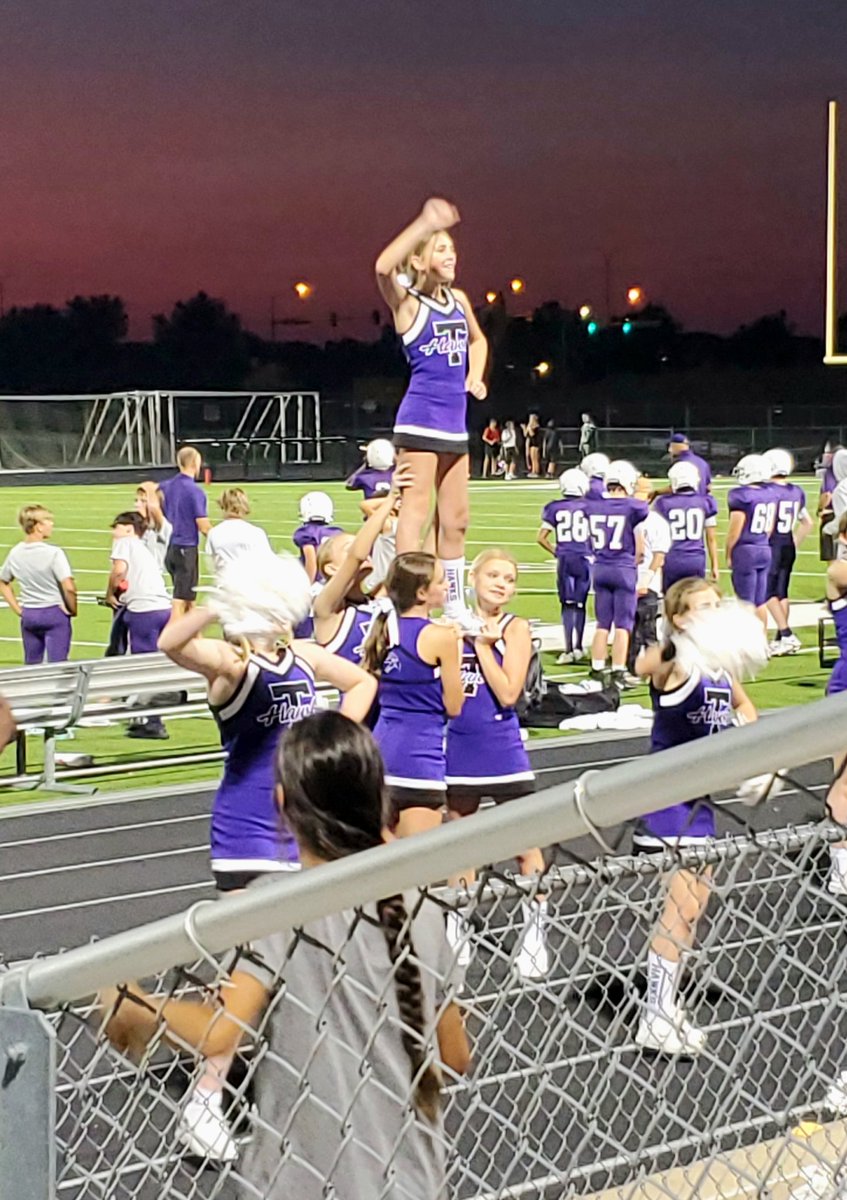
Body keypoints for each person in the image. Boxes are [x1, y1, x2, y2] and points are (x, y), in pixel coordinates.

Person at [100, 710, 469, 1196]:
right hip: (412, 1180)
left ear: (282, 804)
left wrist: (136, 1007)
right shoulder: (419, 905)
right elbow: (455, 1056)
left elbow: (220, 1032)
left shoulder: (278, 904)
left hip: (302, 1182)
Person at [157, 555, 376, 1161]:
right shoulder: (233, 664)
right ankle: (203, 1101)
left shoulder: (303, 657)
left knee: (308, 968)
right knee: (250, 972)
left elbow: (363, 684)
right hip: (248, 832)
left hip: (303, 829)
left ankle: (292, 1091)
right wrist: (227, 599)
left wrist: (326, 741)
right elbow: (171, 640)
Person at [634, 578, 757, 1055]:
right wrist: (673, 640)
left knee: (693, 915)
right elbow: (646, 664)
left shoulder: (721, 668)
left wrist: (747, 752)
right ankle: (654, 1015)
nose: (714, 612)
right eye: (702, 607)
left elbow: (746, 708)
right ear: (681, 618)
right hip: (670, 802)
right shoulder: (677, 662)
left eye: (716, 605)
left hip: (702, 804)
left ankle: (666, 1007)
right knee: (679, 912)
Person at [375, 197, 488, 628]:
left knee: (456, 518)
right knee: (416, 514)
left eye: (452, 250)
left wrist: (475, 376)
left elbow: (478, 342)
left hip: (455, 422)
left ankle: (455, 605)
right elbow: (384, 267)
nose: (451, 255)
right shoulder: (408, 305)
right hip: (419, 421)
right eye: (440, 249)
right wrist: (423, 222)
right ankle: (404, 602)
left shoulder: (458, 300)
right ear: (420, 260)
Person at [444, 549, 546, 980]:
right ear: (473, 576)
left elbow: (508, 693)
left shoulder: (514, 628)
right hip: (458, 747)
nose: (502, 583)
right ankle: (458, 925)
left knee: (524, 841)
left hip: (501, 749)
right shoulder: (448, 625)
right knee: (460, 840)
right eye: (494, 575)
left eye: (509, 578)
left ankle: (535, 932)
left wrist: (482, 646)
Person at [363, 552, 464, 838]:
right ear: (422, 592)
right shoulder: (440, 637)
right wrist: (456, 646)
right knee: (415, 870)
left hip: (380, 753)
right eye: (441, 581)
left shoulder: (383, 629)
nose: (447, 587)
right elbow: (454, 706)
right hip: (419, 759)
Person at [313, 467, 411, 663]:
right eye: (349, 547)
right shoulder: (326, 607)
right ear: (331, 568)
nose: (362, 549)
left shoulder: (377, 600)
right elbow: (355, 558)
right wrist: (391, 498)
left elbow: (408, 561)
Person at [107, 512, 174, 739]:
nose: (112, 532)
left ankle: (153, 721)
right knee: (154, 663)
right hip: (162, 606)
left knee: (142, 666)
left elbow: (119, 571)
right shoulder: (145, 547)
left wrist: (110, 594)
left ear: (128, 528)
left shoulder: (125, 543)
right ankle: (145, 715)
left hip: (144, 610)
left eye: (116, 527)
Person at [585, 460, 648, 687]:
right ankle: (619, 671)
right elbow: (640, 548)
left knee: (603, 623)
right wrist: (636, 560)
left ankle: (597, 667)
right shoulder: (634, 507)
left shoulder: (593, 505)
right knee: (623, 624)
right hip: (622, 568)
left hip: (600, 567)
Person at [0, 505, 76, 664]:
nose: (51, 524)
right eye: (48, 520)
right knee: (58, 663)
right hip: (54, 611)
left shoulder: (15, 552)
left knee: (31, 663)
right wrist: (72, 609)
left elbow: (3, 582)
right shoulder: (54, 553)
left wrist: (18, 609)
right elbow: (68, 587)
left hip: (30, 614)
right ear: (38, 526)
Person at [538, 468, 592, 664]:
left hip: (565, 559)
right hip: (584, 559)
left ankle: (568, 648)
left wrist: (556, 551)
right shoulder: (590, 506)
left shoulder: (554, 507)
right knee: (580, 603)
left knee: (567, 604)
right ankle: (578, 646)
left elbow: (541, 538)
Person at [764, 449, 812, 656]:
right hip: (787, 544)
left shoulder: (767, 491)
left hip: (772, 543)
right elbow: (807, 523)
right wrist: (794, 544)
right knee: (781, 592)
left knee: (766, 592)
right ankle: (781, 638)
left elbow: (766, 524)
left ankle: (786, 634)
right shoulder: (796, 490)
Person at [160, 446, 212, 617]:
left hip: (171, 547)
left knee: (189, 598)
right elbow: (202, 524)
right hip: (186, 547)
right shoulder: (194, 491)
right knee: (181, 599)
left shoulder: (166, 486)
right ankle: (171, 640)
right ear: (195, 463)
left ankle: (193, 638)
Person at [653, 461, 719, 592]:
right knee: (693, 601)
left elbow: (655, 534)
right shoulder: (705, 502)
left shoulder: (662, 503)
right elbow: (711, 538)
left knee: (671, 600)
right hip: (696, 559)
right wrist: (715, 566)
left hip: (672, 559)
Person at [726, 454, 776, 627]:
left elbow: (735, 530)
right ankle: (762, 644)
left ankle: (748, 646)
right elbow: (769, 527)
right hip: (764, 547)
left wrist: (729, 552)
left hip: (745, 550)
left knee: (745, 604)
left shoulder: (740, 495)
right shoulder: (770, 494)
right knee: (760, 601)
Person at [628, 477, 671, 673]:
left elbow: (659, 555)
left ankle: (655, 668)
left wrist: (646, 579)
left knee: (648, 630)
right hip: (627, 580)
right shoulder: (626, 517)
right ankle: (631, 668)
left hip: (647, 582)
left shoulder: (656, 522)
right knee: (630, 629)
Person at [205, 488, 273, 576]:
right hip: (250, 584)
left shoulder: (213, 533)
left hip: (223, 584)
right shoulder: (256, 532)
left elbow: (214, 562)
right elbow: (267, 562)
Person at [292, 492, 343, 584]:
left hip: (317, 583)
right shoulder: (336, 532)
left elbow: (311, 561)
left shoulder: (306, 532)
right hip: (334, 581)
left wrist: (308, 585)